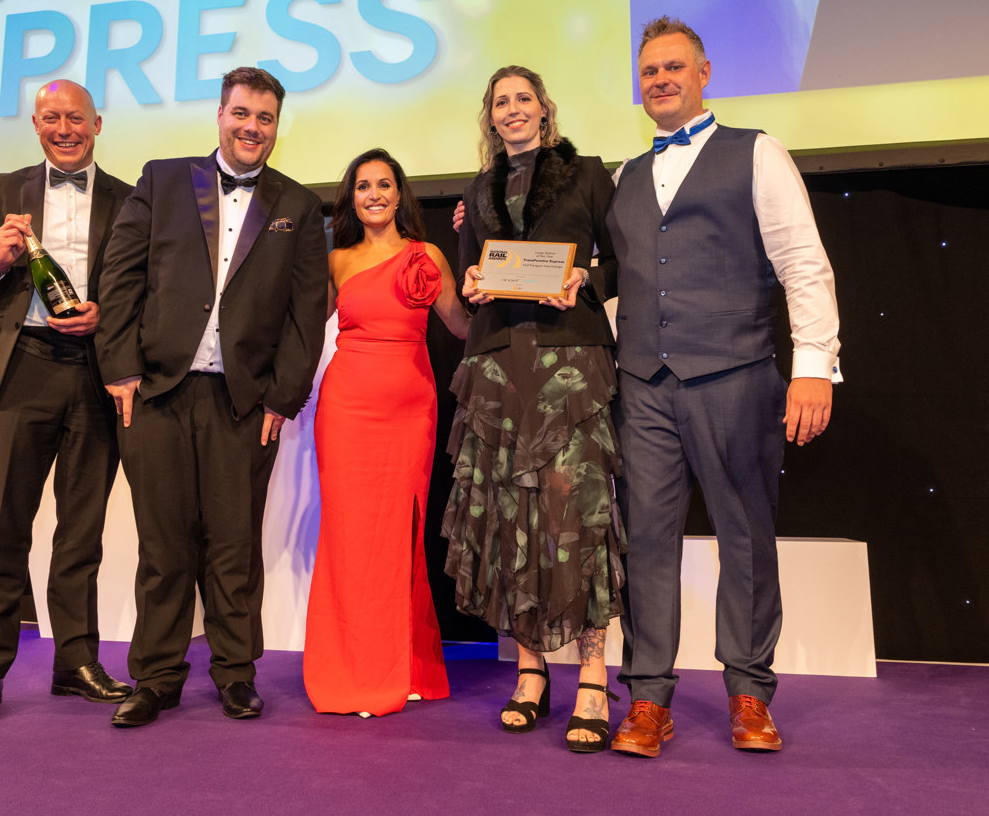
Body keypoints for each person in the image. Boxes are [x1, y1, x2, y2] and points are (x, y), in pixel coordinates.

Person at [606, 17, 841, 757]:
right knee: (645, 540)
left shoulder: (756, 152)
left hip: (735, 375)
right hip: (643, 383)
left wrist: (813, 366)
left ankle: (748, 692)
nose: (661, 80)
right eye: (650, 72)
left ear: (705, 73)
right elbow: (611, 282)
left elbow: (803, 261)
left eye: (675, 67)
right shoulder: (621, 178)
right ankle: (648, 699)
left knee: (744, 535)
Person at [95, 67, 326, 729]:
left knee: (232, 545)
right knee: (162, 548)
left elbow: (307, 312)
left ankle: (234, 673)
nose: (252, 127)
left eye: (265, 118)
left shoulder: (298, 206)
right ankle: (157, 677)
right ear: (219, 115)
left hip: (243, 404)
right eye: (242, 114)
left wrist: (283, 398)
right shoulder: (163, 179)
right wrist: (119, 368)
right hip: (155, 394)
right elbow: (121, 278)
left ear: (277, 126)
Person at [0, 79, 134, 725]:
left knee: (82, 533)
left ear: (97, 123)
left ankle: (75, 663)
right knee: (2, 533)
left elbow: (146, 288)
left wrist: (107, 315)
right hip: (20, 370)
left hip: (93, 375)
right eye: (51, 117)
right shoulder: (1, 189)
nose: (64, 128)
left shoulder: (131, 199)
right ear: (34, 123)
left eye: (75, 117)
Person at [443, 65, 626, 753]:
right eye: (501, 103)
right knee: (507, 513)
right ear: (489, 118)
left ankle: (591, 674)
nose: (513, 111)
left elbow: (626, 258)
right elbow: (470, 285)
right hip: (494, 363)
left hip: (569, 361)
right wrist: (467, 278)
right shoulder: (474, 190)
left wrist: (586, 277)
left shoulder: (586, 175)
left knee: (573, 513)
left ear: (545, 110)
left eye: (524, 99)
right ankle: (529, 671)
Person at [303, 149, 470, 717]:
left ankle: (407, 666)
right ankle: (356, 670)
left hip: (411, 411)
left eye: (384, 184)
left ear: (401, 194)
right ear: (350, 197)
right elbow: (303, 336)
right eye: (362, 186)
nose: (373, 194)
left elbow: (462, 325)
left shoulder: (428, 255)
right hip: (346, 408)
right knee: (351, 538)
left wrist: (510, 292)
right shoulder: (338, 261)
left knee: (401, 536)